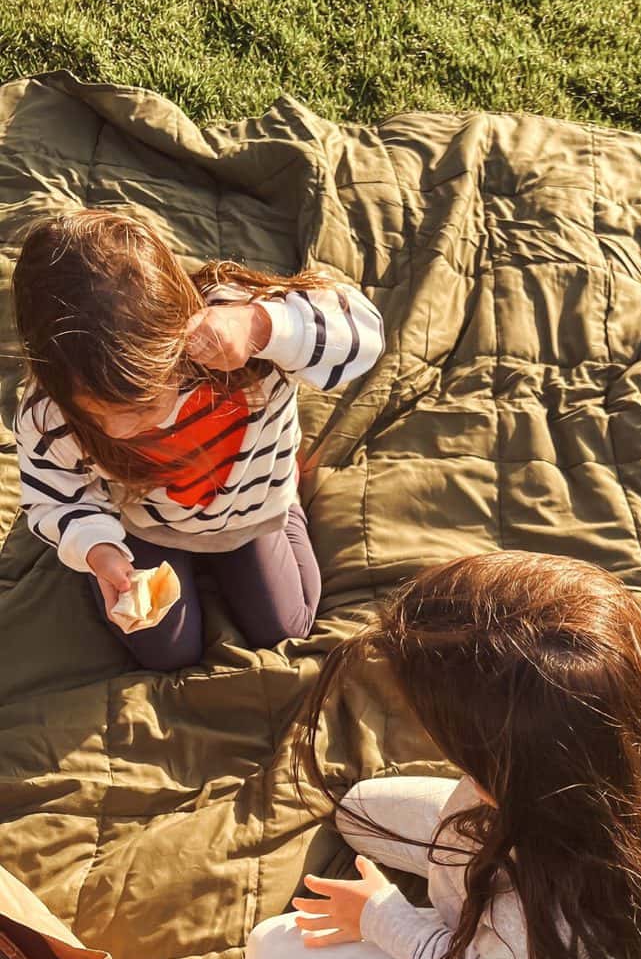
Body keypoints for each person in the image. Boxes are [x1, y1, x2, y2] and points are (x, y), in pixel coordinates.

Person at [244, 551, 641, 959]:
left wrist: (382, 919)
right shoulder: (618, 737)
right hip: (495, 846)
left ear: (512, 776)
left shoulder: (540, 911)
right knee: (356, 812)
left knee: (268, 958)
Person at [12, 208, 385, 667]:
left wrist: (260, 326)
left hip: (252, 508)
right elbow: (55, 499)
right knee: (166, 654)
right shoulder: (49, 414)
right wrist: (98, 549)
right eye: (100, 416)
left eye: (143, 407)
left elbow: (365, 335)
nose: (122, 431)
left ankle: (288, 503)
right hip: (146, 523)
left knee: (287, 628)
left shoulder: (231, 335)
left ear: (176, 337)